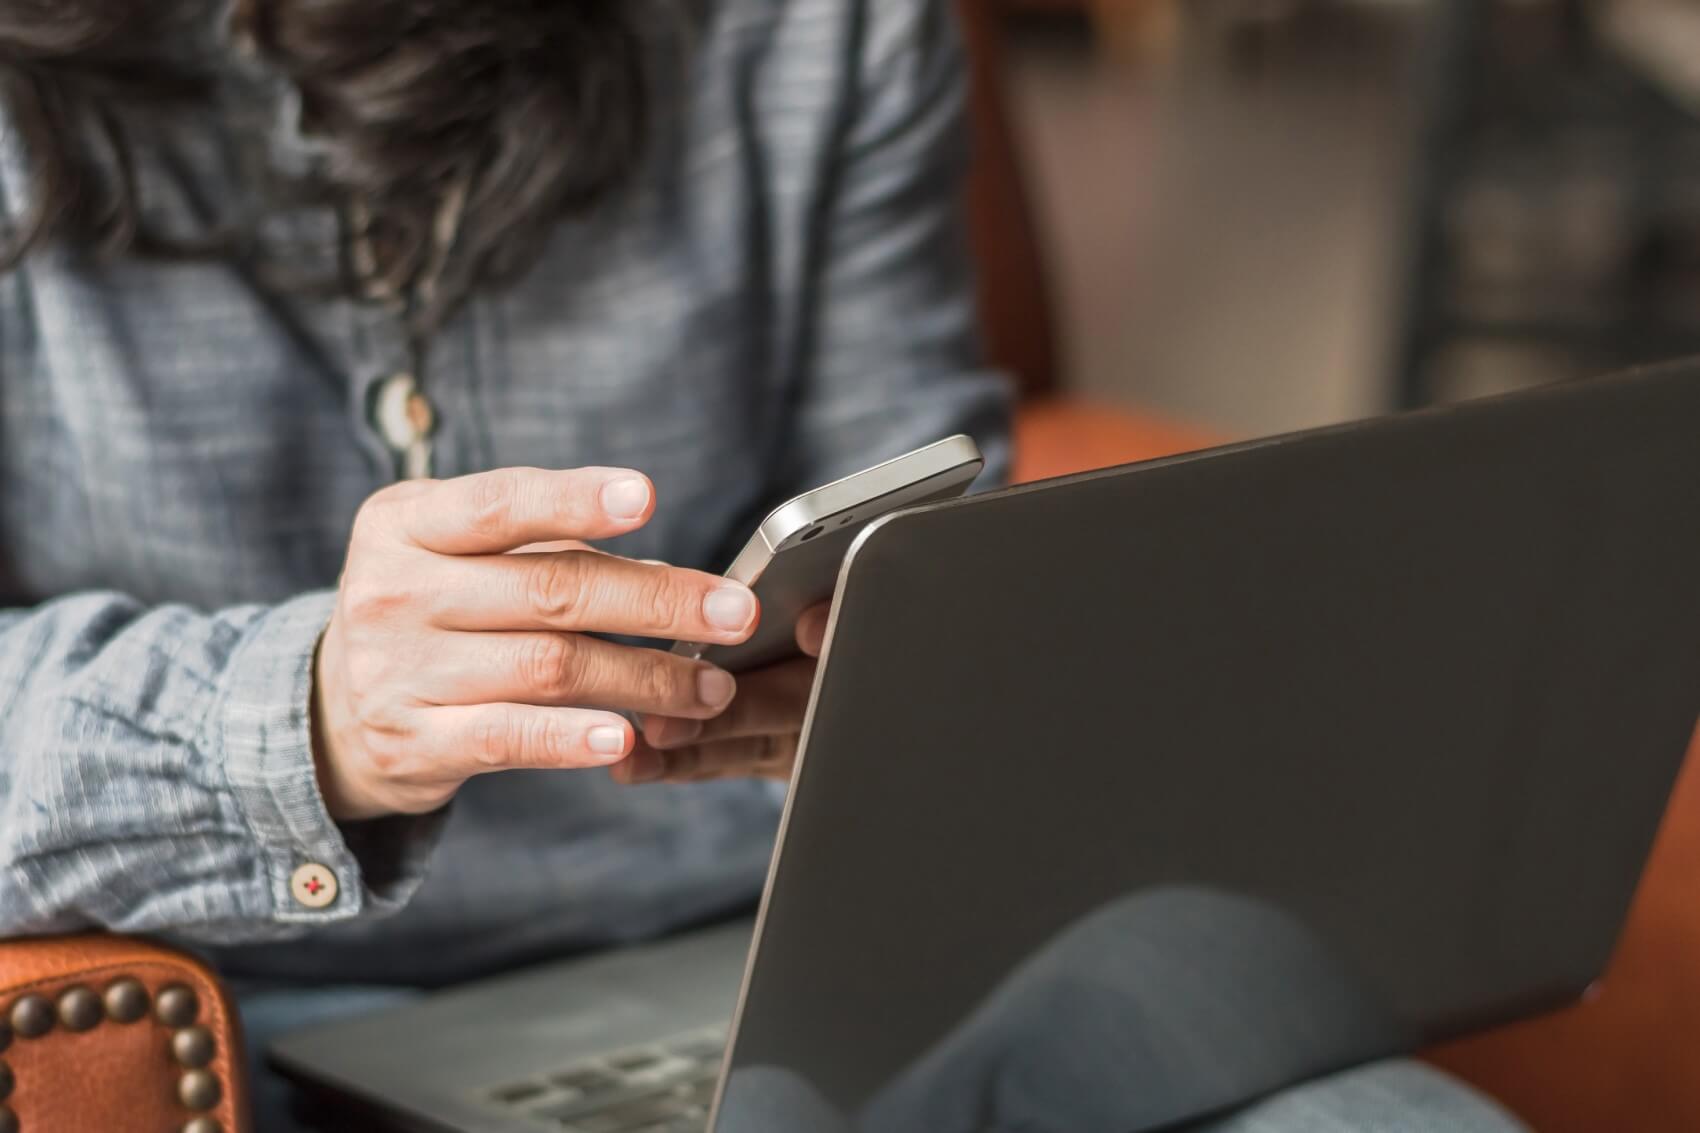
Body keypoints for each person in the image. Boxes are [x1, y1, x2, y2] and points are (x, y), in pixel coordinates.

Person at [0, 2, 1522, 1130]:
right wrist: (311, 711)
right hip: (254, 995)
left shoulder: (816, 29)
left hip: (791, 945)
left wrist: (912, 673)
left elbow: (927, 518)